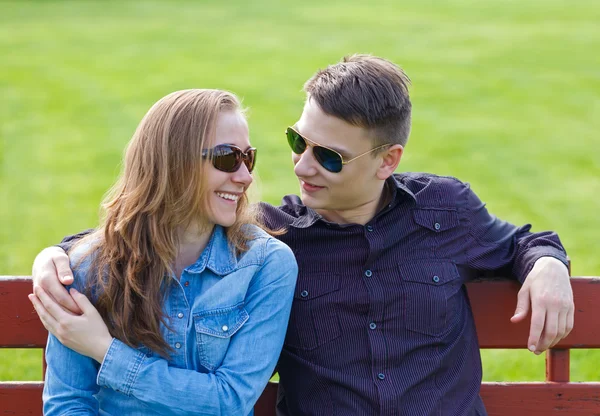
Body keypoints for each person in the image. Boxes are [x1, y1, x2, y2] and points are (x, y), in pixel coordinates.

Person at [32, 56, 574, 416]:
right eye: (298, 141)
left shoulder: (445, 209)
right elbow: (154, 222)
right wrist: (55, 257)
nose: (302, 166)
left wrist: (547, 262)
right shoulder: (274, 234)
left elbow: (523, 242)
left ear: (388, 160)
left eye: (329, 156)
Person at [28, 89, 298, 416]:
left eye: (248, 157)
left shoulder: (265, 264)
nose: (244, 176)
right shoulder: (86, 267)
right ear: (172, 162)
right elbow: (69, 404)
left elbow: (230, 401)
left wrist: (104, 349)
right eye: (227, 157)